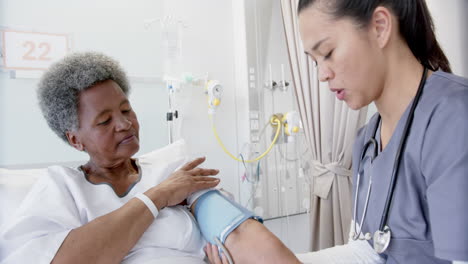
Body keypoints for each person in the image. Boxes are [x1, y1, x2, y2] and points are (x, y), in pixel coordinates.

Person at [0, 52, 300, 264]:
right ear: (75, 139)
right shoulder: (62, 186)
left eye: (126, 109)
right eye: (104, 121)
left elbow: (237, 235)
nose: (124, 123)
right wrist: (158, 196)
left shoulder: (174, 172)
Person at [295, 0, 468, 263]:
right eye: (314, 61)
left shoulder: (454, 117)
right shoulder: (367, 140)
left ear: (379, 27)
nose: (321, 75)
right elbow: (366, 253)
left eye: (327, 52)